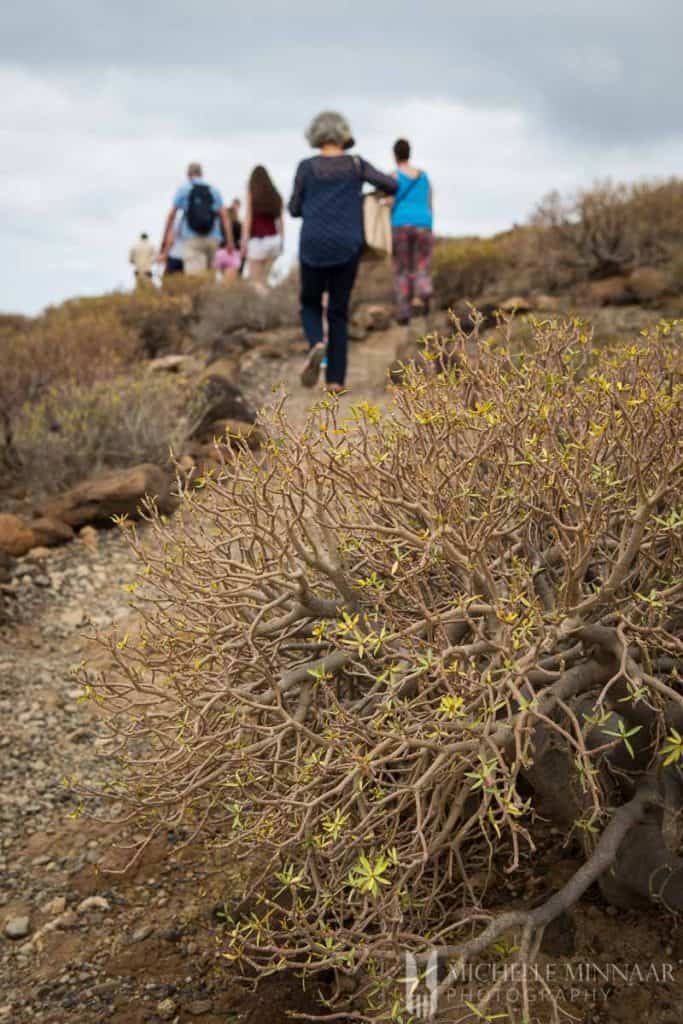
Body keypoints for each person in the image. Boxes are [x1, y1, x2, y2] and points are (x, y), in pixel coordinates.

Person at [288, 111, 397, 393]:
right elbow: (391, 184)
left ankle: (316, 344)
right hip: (347, 245)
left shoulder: (307, 167)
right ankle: (336, 380)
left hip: (313, 244)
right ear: (343, 134)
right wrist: (368, 198)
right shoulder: (356, 165)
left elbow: (294, 208)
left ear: (315, 135)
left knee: (310, 303)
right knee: (338, 311)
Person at [159, 162, 234, 275]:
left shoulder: (184, 189)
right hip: (213, 238)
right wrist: (229, 241)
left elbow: (171, 216)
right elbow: (225, 217)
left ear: (188, 174)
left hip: (192, 238)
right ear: (201, 174)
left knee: (196, 279)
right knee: (209, 276)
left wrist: (164, 240)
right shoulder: (214, 190)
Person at [389, 139, 434, 325]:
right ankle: (423, 289)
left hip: (401, 223)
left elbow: (390, 201)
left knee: (402, 267)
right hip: (424, 223)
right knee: (421, 264)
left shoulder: (393, 176)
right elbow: (430, 202)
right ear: (410, 153)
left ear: (395, 155)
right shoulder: (423, 177)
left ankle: (404, 309)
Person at [243, 167, 284, 294]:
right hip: (274, 240)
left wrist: (244, 240)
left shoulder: (252, 192)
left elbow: (248, 217)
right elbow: (280, 221)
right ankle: (270, 306)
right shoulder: (275, 195)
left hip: (257, 240)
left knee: (255, 281)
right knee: (264, 280)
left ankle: (261, 309)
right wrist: (282, 241)